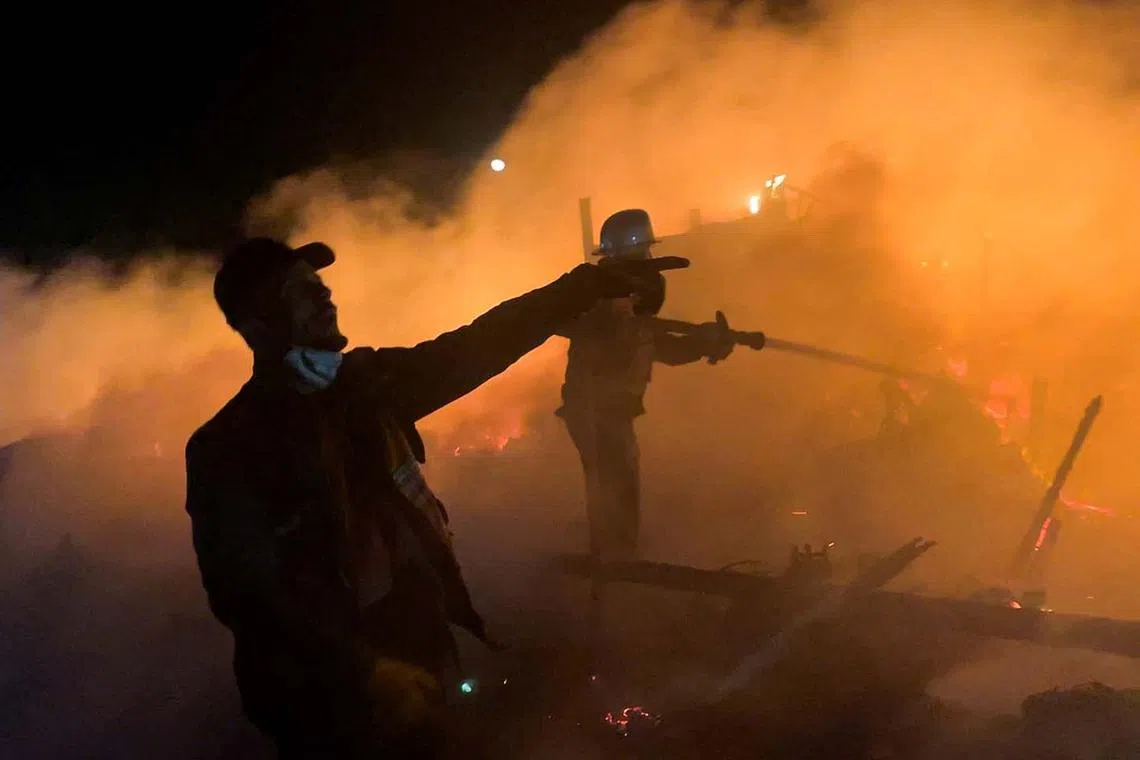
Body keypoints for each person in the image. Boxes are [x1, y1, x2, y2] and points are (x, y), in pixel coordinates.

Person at [184, 237, 678, 759]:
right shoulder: (230, 446)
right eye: (303, 294)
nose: (326, 297)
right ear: (258, 325)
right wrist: (365, 670)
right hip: (325, 694)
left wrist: (578, 288)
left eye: (322, 286)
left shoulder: (365, 384)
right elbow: (253, 595)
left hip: (412, 644)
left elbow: (474, 347)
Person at [557, 209, 735, 560]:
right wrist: (690, 338)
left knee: (618, 483)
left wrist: (701, 344)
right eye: (645, 253)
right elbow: (620, 341)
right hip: (596, 409)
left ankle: (614, 554)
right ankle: (613, 560)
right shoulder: (603, 297)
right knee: (614, 485)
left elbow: (658, 347)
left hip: (611, 410)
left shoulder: (627, 302)